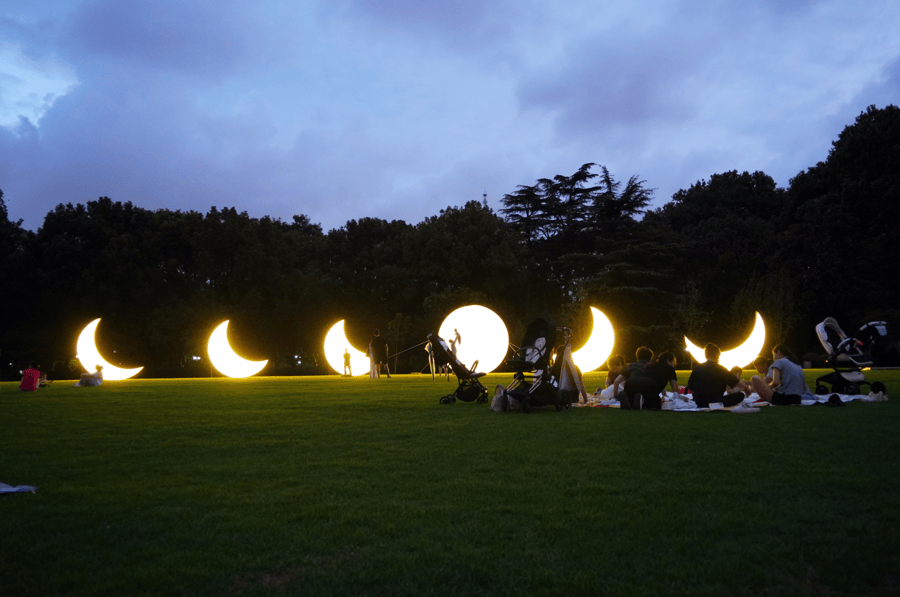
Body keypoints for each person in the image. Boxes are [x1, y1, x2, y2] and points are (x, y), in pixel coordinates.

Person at [687, 344, 746, 408]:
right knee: (740, 395)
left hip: (699, 403)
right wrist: (747, 388)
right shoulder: (721, 369)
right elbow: (736, 383)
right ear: (717, 355)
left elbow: (690, 387)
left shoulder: (697, 368)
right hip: (715, 401)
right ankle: (715, 405)